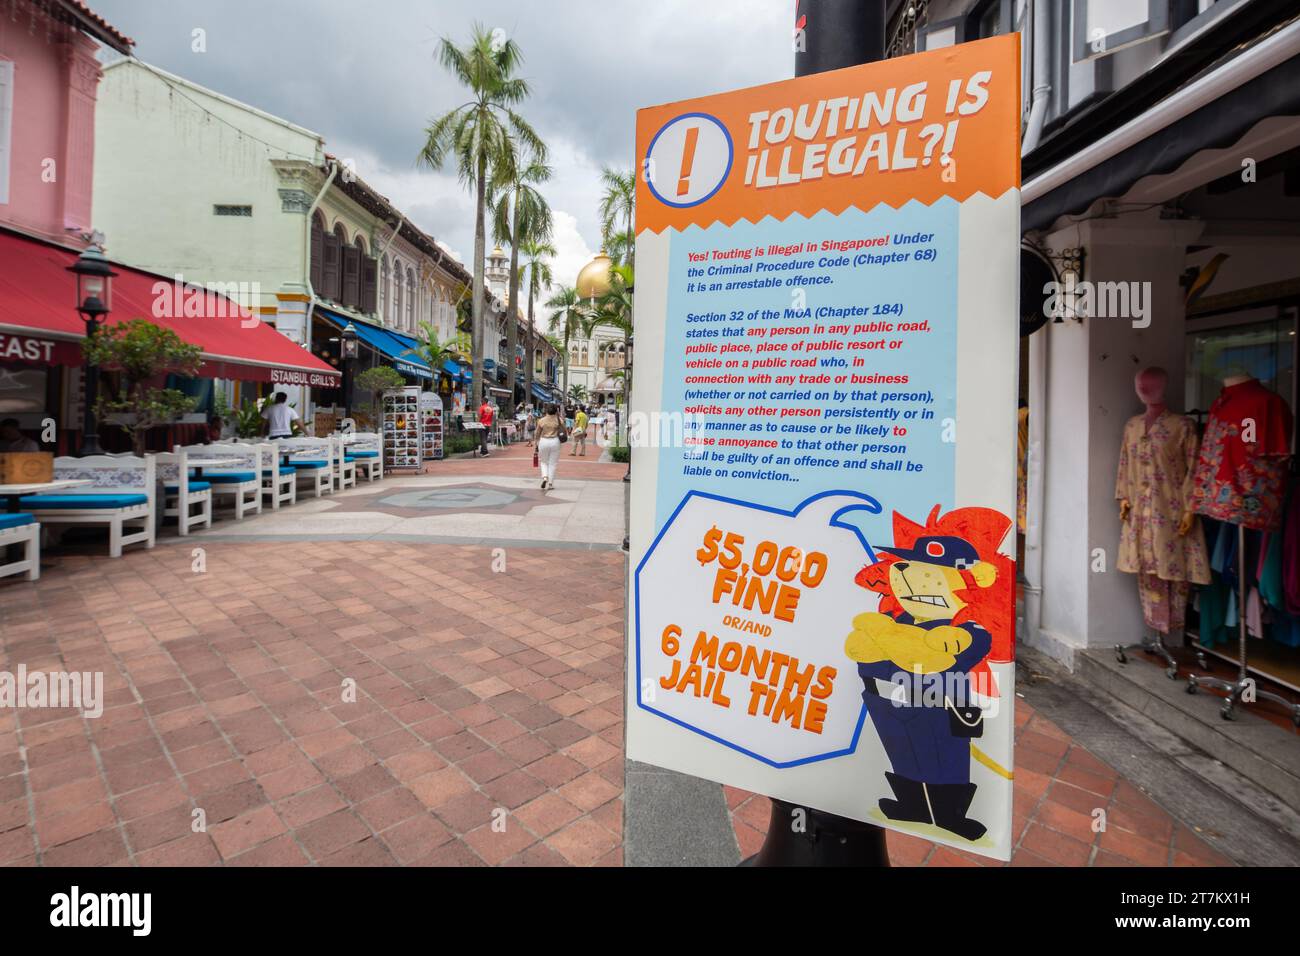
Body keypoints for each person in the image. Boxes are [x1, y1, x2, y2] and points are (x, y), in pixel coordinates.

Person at [535, 403, 566, 491]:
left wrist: (536, 442)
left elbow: (537, 433)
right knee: (553, 463)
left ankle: (545, 477)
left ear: (546, 410)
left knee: (544, 462)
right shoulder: (559, 420)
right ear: (556, 411)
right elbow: (564, 430)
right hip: (555, 441)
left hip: (544, 441)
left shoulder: (541, 420)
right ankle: (550, 483)